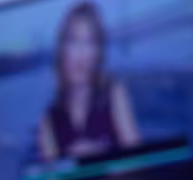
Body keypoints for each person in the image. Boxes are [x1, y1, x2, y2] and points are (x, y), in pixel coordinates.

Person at [38, 2, 144, 165]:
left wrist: (100, 156)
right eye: (74, 41)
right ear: (62, 50)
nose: (81, 54)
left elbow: (140, 161)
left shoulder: (114, 92)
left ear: (97, 53)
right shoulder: (49, 120)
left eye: (89, 43)